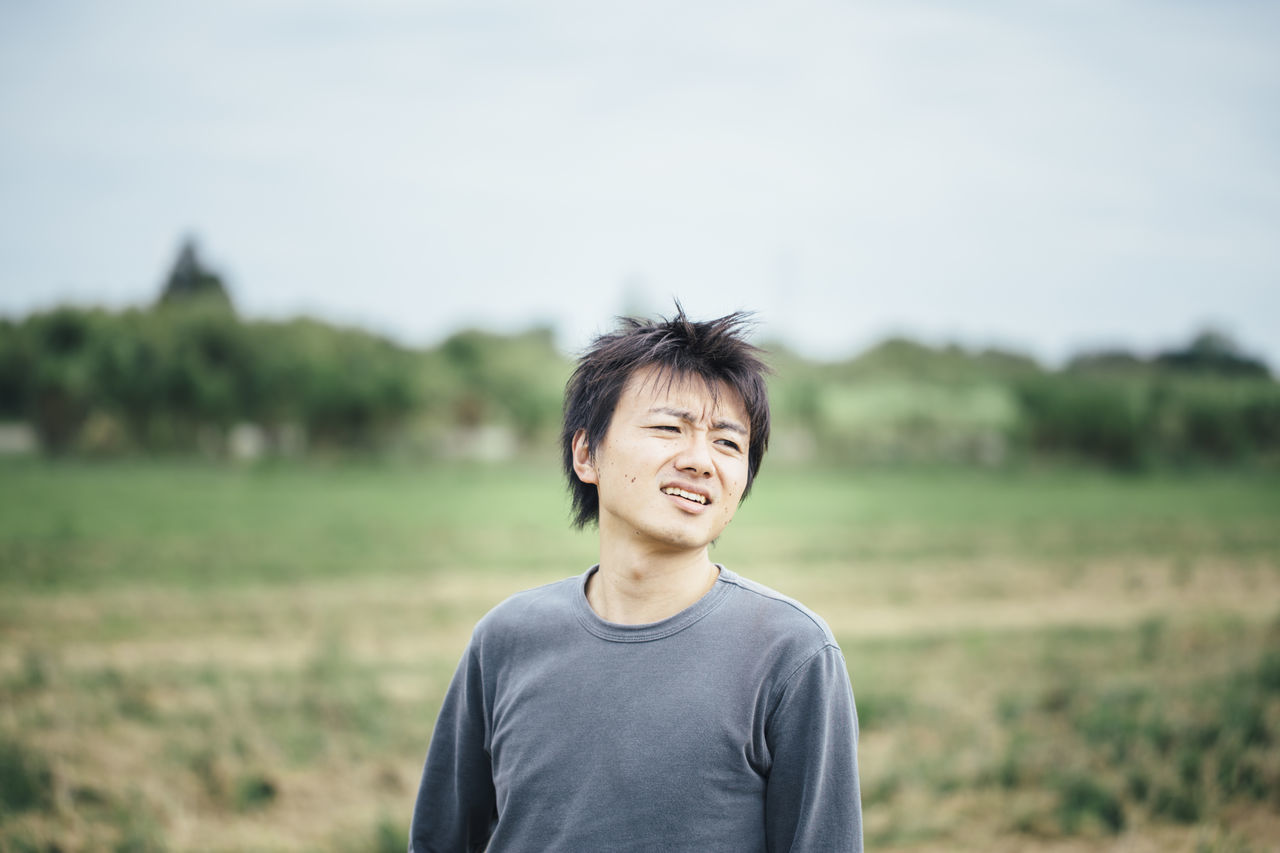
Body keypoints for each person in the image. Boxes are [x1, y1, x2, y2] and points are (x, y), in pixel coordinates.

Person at [409, 307, 862, 852]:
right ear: (586, 453)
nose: (700, 460)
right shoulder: (505, 639)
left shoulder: (791, 653)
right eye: (669, 428)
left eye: (727, 443)